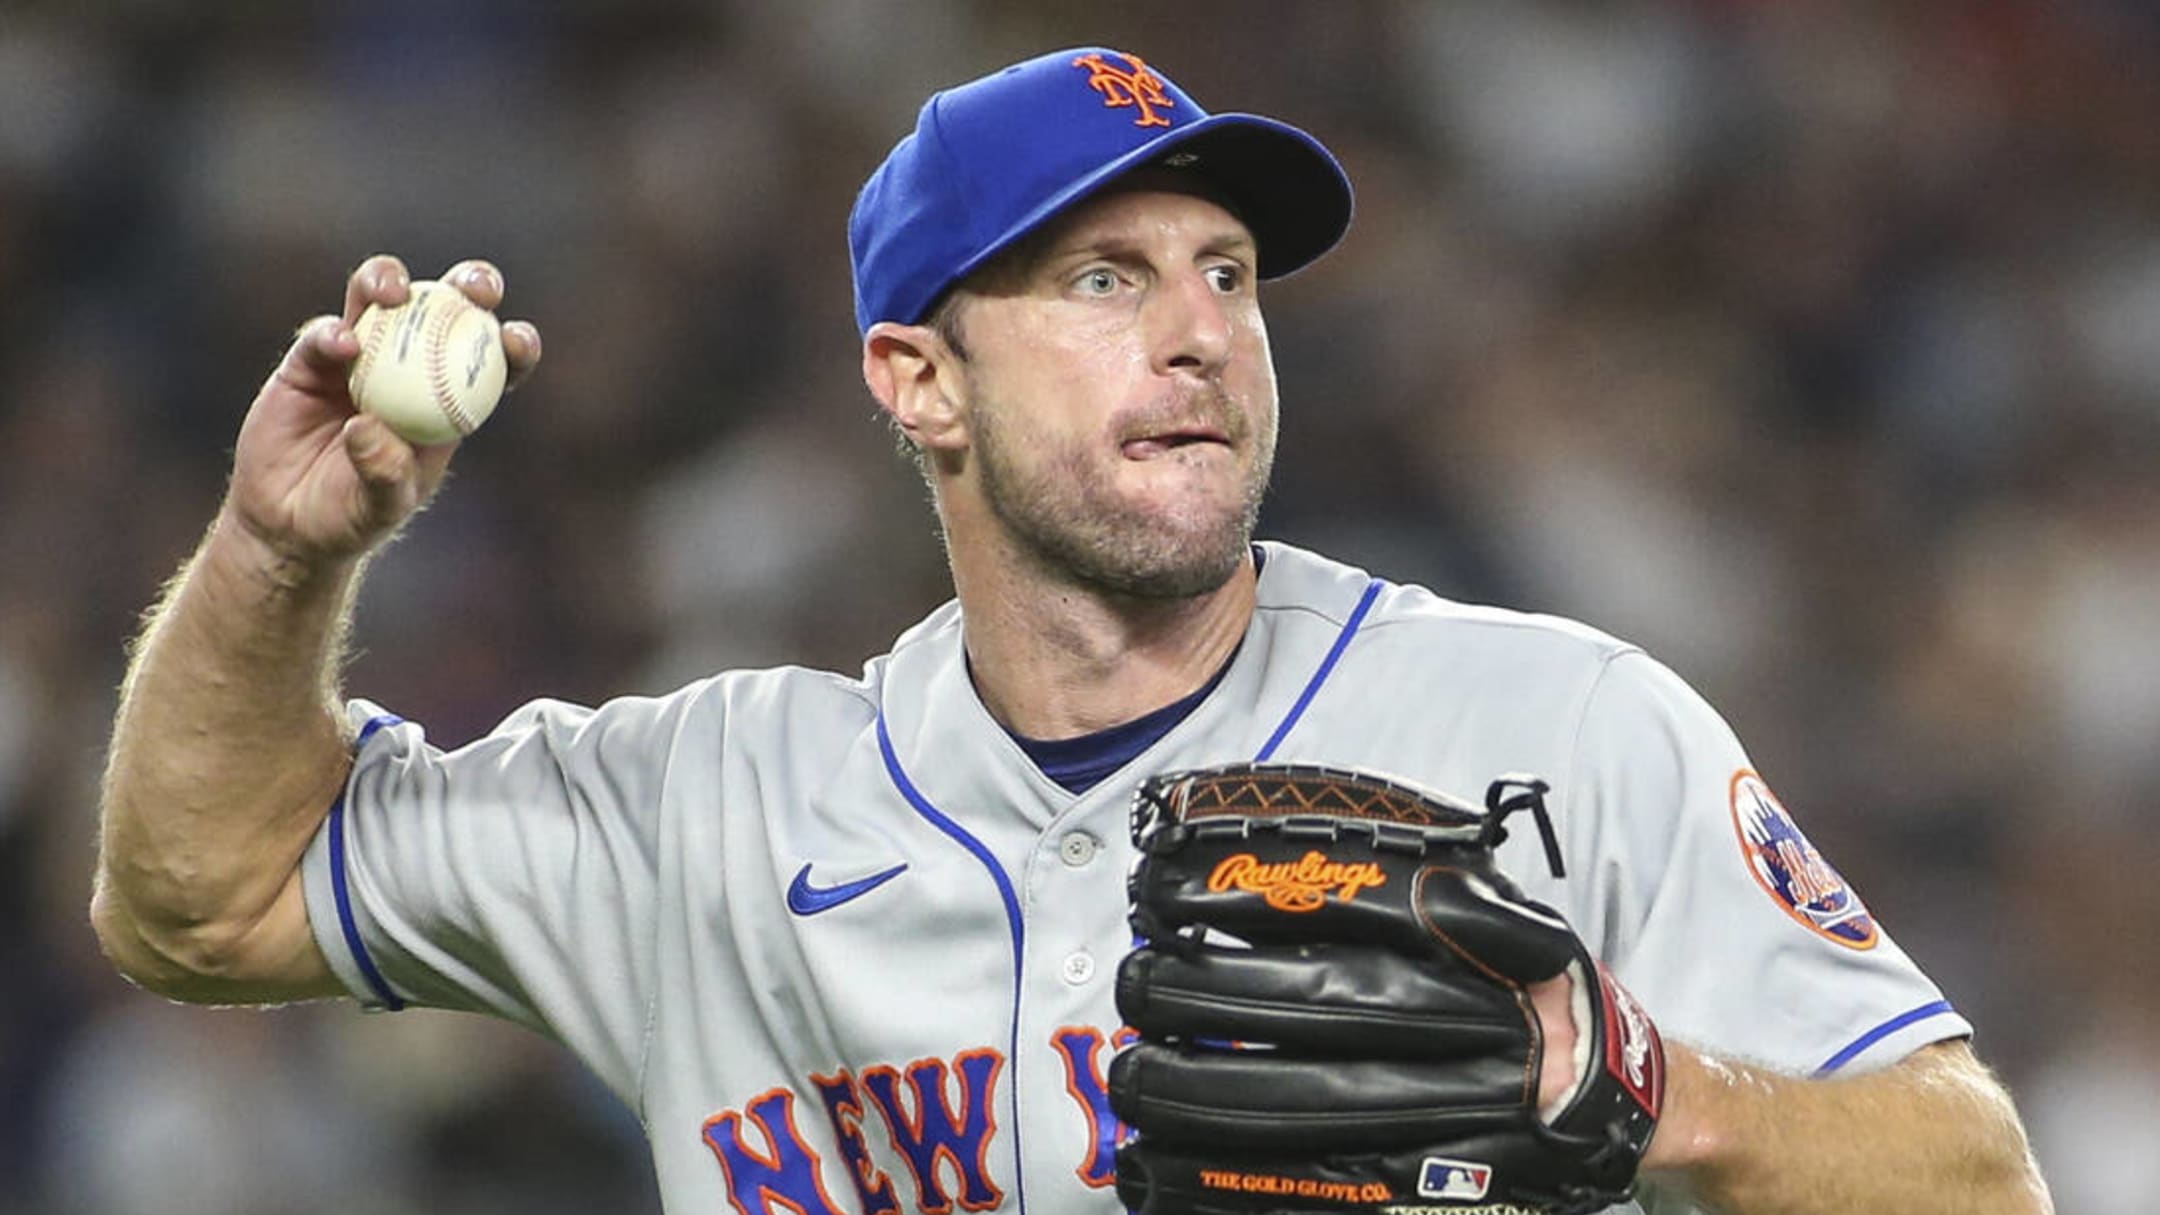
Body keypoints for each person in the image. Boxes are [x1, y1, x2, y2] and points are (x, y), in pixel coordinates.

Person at [93, 46, 2053, 1215]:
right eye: (1103, 276)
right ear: (917, 379)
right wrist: (277, 552)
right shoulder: (699, 812)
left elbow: (1975, 1176)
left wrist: (1655, 1086)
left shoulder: (1550, 722)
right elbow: (195, 895)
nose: (1199, 326)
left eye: (1227, 271)